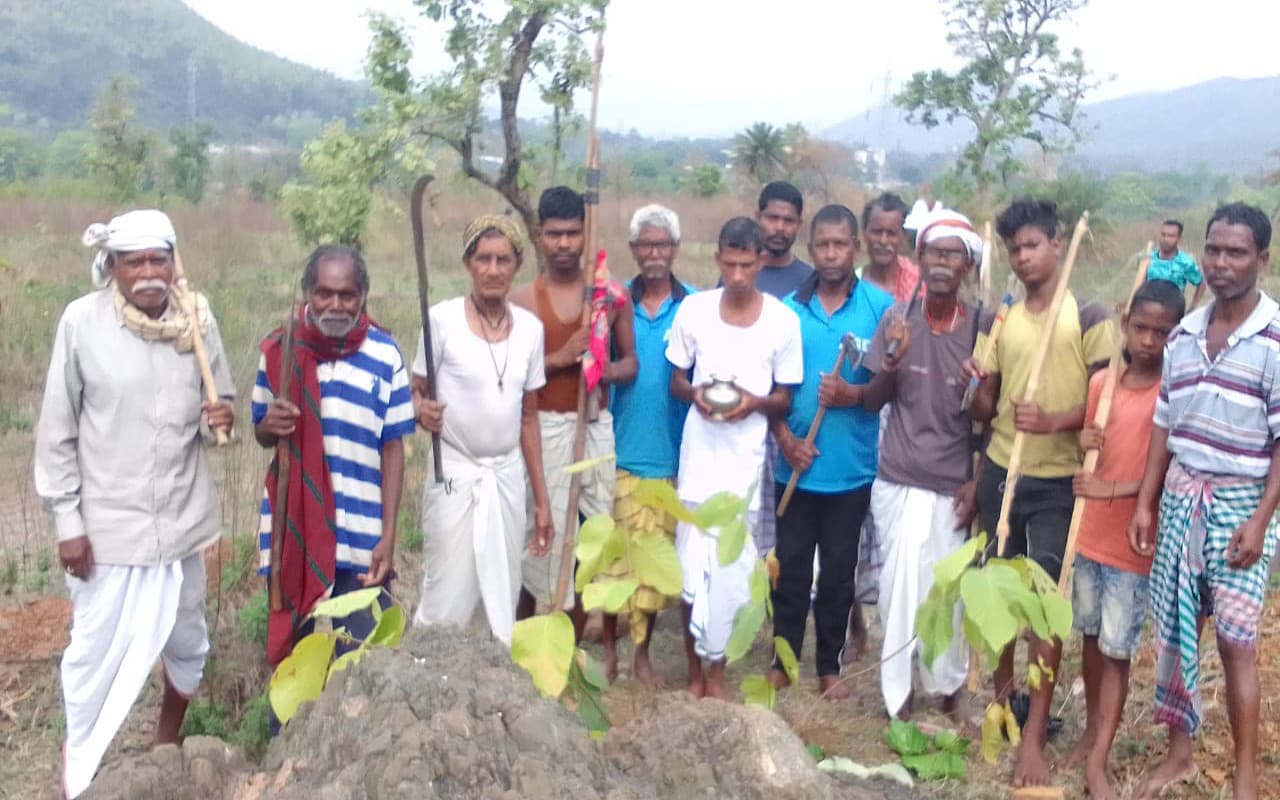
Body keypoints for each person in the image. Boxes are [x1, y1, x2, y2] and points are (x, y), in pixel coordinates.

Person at [35, 210, 235, 798]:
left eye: (158, 260)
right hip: (107, 530)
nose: (148, 272)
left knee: (188, 644)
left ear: (174, 263)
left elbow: (217, 410)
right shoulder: (82, 322)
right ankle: (80, 773)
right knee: (93, 658)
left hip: (181, 523)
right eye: (134, 262)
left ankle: (164, 745)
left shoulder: (196, 320)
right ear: (112, 267)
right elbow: (57, 430)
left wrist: (219, 419)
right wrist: (68, 523)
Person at [1130, 204, 1280, 800]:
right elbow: (1164, 422)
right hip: (1180, 498)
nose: (1221, 263)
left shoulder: (1275, 338)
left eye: (1236, 252)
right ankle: (1180, 755)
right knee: (1176, 632)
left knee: (1237, 644)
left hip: (1241, 504)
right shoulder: (1184, 334)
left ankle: (1245, 778)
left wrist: (1261, 519)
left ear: (1261, 258)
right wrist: (1146, 502)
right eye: (1213, 250)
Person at [967, 198, 1113, 787]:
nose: (1023, 258)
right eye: (1014, 250)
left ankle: (1034, 735)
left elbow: (1106, 402)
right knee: (998, 594)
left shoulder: (1089, 314)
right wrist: (977, 390)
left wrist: (1054, 421)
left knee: (1046, 607)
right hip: (1002, 470)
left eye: (1032, 246)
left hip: (1057, 481)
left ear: (1057, 244)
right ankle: (1003, 704)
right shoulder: (1000, 318)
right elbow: (983, 406)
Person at [253, 245, 415, 670]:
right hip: (295, 530)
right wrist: (270, 424)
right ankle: (295, 717)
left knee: (365, 660)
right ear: (308, 293)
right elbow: (261, 432)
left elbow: (393, 447)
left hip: (363, 532)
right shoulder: (279, 351)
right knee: (294, 662)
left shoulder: (385, 355)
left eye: (347, 295)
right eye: (324, 293)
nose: (336, 305)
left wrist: (388, 534)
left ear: (363, 296)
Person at [667, 217, 803, 699]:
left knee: (730, 573)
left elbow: (785, 397)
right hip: (699, 459)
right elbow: (676, 380)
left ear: (762, 261)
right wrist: (697, 395)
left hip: (745, 463)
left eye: (747, 265)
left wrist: (753, 403)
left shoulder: (782, 322)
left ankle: (717, 674)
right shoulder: (694, 311)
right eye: (730, 265)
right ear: (718, 260)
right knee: (690, 564)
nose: (738, 275)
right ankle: (693, 672)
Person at [1059, 280, 1184, 800]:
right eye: (1140, 328)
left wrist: (1112, 490)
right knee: (1090, 638)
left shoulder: (1171, 394)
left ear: (1177, 334)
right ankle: (1091, 733)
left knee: (1116, 649)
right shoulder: (1102, 384)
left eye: (1162, 332)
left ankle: (1100, 760)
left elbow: (1166, 470)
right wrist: (1083, 440)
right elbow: (1090, 454)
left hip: (1131, 545)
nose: (1149, 341)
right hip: (1088, 534)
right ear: (1124, 326)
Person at [862, 208, 983, 721]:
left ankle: (949, 689)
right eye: (934, 252)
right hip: (900, 476)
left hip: (952, 485)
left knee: (947, 594)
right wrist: (892, 360)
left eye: (953, 255)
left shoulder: (981, 326)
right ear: (920, 256)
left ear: (967, 266)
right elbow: (872, 400)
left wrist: (977, 482)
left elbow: (989, 418)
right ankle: (898, 697)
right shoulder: (897, 318)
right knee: (896, 594)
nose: (942, 263)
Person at [411, 215, 554, 646]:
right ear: (468, 264)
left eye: (503, 260)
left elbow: (528, 418)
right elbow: (414, 392)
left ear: (517, 265)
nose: (493, 270)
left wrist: (541, 501)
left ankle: (494, 670)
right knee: (447, 586)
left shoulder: (531, 330)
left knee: (502, 587)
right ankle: (430, 666)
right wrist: (421, 411)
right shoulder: (441, 321)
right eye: (483, 259)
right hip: (454, 473)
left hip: (505, 476)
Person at [769, 204, 891, 699]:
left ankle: (829, 666)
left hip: (850, 471)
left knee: (839, 574)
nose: (831, 254)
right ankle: (782, 661)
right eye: (822, 245)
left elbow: (887, 387)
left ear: (855, 247)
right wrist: (785, 441)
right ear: (811, 247)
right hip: (794, 468)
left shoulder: (880, 308)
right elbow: (769, 388)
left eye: (841, 244)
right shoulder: (786, 312)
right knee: (791, 570)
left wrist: (851, 395)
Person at [511, 186, 637, 626]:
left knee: (591, 540)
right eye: (554, 234)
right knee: (540, 538)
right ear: (539, 235)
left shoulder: (609, 297)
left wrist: (602, 369)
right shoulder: (522, 301)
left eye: (572, 233)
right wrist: (561, 358)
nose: (563, 244)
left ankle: (570, 643)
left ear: (587, 233)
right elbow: (510, 378)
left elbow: (631, 364)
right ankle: (527, 640)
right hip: (544, 430)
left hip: (593, 425)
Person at [600, 204, 694, 685]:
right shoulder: (612, 302)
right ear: (634, 250)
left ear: (675, 249)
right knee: (614, 558)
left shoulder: (694, 306)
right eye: (646, 245)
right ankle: (609, 650)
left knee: (654, 564)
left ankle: (641, 653)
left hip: (672, 452)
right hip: (620, 447)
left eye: (663, 244)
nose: (655, 253)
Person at [842, 191, 920, 664]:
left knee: (892, 526)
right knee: (852, 523)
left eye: (893, 232)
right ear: (864, 235)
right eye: (877, 231)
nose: (885, 240)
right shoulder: (850, 286)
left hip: (905, 417)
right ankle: (856, 626)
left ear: (904, 237)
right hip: (857, 415)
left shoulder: (920, 288)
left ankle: (899, 625)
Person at [1148, 219, 1205, 309]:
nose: (1166, 239)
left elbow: (1201, 283)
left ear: (1179, 239)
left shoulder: (1185, 262)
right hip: (1147, 309)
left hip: (1172, 311)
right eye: (1163, 235)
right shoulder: (1148, 258)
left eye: (1171, 236)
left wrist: (1192, 307)